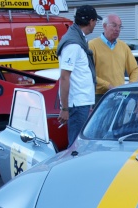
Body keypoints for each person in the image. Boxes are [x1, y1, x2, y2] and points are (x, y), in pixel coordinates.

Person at [56, 5, 102, 147]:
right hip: (77, 103)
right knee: (76, 146)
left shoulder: (78, 39)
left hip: (82, 101)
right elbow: (64, 77)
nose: (95, 24)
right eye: (96, 21)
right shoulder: (73, 45)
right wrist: (65, 108)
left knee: (80, 144)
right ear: (91, 21)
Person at [88, 14, 138, 103]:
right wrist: (107, 85)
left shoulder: (123, 46)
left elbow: (134, 69)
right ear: (104, 26)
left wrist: (130, 86)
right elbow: (88, 73)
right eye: (114, 25)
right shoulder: (92, 45)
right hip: (100, 96)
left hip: (120, 95)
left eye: (120, 26)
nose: (117, 29)